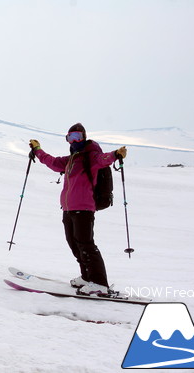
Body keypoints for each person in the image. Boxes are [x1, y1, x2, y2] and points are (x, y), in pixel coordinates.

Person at [29, 123, 127, 296]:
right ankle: (87, 276)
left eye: (77, 137)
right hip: (68, 209)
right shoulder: (70, 160)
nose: (74, 141)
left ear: (84, 137)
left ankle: (99, 283)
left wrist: (116, 154)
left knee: (86, 245)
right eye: (70, 137)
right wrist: (37, 150)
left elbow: (104, 159)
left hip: (84, 208)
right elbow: (51, 162)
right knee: (74, 244)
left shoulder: (91, 156)